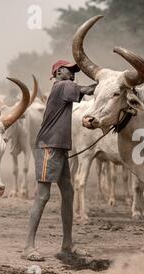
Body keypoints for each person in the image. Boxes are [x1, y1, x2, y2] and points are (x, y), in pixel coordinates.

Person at [22, 60, 96, 261]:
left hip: (60, 147)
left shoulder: (65, 89)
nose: (72, 73)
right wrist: (108, 81)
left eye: (74, 71)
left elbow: (84, 92)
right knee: (43, 196)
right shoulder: (62, 86)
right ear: (58, 71)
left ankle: (67, 244)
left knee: (68, 193)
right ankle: (28, 247)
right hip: (49, 146)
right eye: (69, 70)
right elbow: (89, 89)